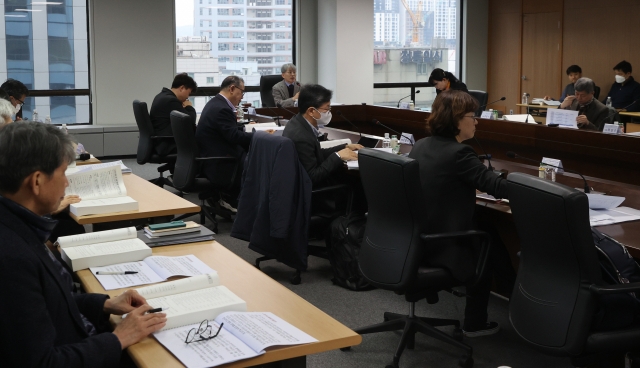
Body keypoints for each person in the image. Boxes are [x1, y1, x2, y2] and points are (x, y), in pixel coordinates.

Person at [0, 122, 167, 367]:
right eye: (63, 173)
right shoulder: (12, 258)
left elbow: (47, 305)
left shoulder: (19, 226)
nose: (67, 184)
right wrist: (119, 338)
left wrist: (105, 304)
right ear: (36, 181)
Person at [408, 90, 515, 338]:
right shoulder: (460, 154)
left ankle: (510, 300)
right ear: (456, 119)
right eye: (472, 116)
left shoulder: (421, 145)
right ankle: (476, 322)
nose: (476, 121)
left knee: (489, 233)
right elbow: (496, 187)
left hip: (418, 239)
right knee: (488, 245)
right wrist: (535, 186)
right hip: (444, 245)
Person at [282, 84, 362, 187]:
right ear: (311, 111)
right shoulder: (301, 136)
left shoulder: (297, 122)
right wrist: (338, 156)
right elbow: (312, 177)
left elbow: (316, 153)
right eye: (326, 109)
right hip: (313, 194)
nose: (329, 113)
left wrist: (344, 147)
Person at [196, 76, 255, 211]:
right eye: (242, 92)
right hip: (220, 161)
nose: (242, 97)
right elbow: (233, 136)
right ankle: (239, 201)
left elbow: (226, 130)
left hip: (210, 153)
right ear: (232, 89)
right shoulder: (222, 109)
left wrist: (244, 127)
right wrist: (258, 136)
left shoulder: (215, 103)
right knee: (255, 160)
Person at [149, 73, 198, 156]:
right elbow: (189, 121)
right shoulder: (171, 101)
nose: (187, 97)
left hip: (161, 141)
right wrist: (189, 107)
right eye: (188, 93)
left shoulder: (162, 96)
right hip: (167, 144)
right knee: (203, 147)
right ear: (182, 88)